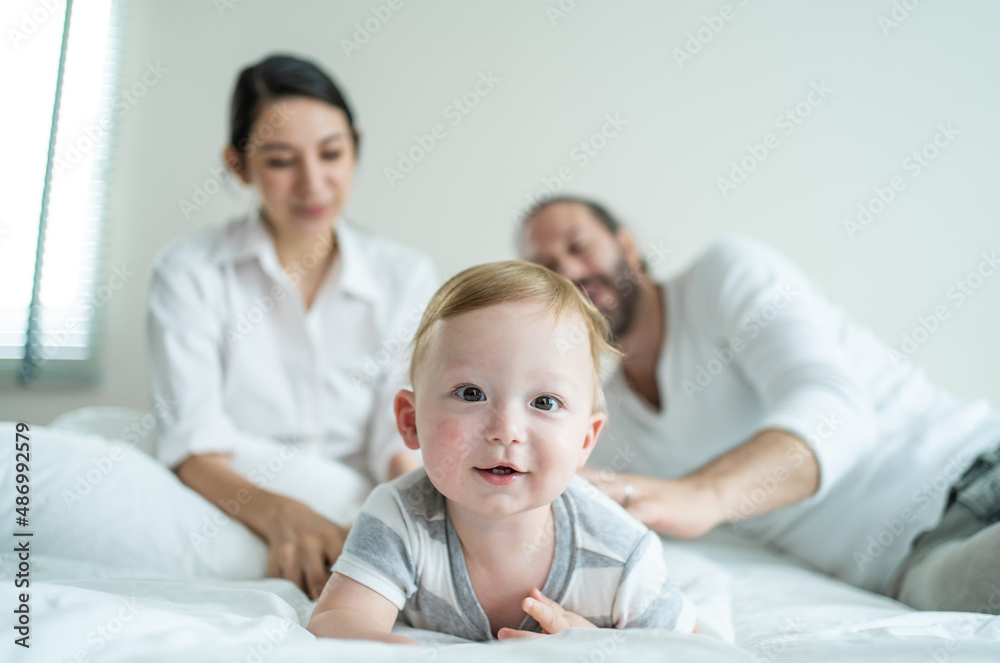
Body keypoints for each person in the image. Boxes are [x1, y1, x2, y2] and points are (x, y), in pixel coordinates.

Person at [519, 196, 1000, 615]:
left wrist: (699, 496)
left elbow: (837, 412)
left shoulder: (720, 277)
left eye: (578, 246)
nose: (572, 272)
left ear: (626, 246)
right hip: (908, 567)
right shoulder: (606, 421)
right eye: (548, 268)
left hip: (971, 469)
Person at [147, 54, 438, 599]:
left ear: (354, 147)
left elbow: (400, 436)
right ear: (238, 165)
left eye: (332, 153)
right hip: (232, 500)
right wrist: (283, 515)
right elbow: (194, 446)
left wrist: (406, 530)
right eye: (281, 161)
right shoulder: (189, 271)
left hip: (360, 501)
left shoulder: (404, 275)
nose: (313, 183)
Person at [307, 261, 697, 643]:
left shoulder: (622, 556)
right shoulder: (399, 518)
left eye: (544, 402)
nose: (506, 432)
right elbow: (339, 620)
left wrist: (592, 644)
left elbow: (691, 651)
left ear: (584, 441)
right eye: (471, 393)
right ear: (411, 421)